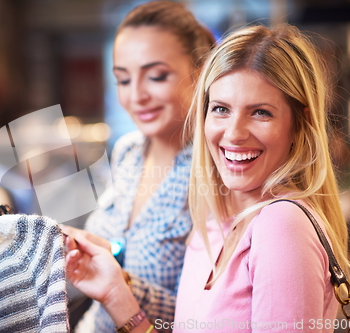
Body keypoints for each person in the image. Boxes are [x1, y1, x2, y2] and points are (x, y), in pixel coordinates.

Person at [64, 24, 350, 333]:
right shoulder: (214, 224)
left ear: (300, 123)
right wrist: (114, 291)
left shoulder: (281, 224)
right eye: (221, 109)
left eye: (260, 113)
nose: (234, 134)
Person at [62, 1, 215, 332]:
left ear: (200, 71)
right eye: (123, 79)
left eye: (156, 76)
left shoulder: (214, 170)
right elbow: (117, 246)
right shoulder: (127, 152)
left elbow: (207, 316)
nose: (137, 96)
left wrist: (118, 282)